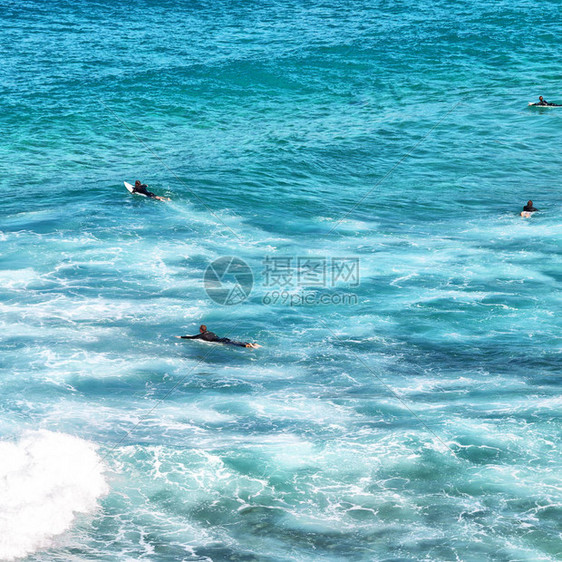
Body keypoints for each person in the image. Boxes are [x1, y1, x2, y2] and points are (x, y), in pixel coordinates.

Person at [176, 325, 261, 348]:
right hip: (222, 338)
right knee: (234, 342)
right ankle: (250, 343)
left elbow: (191, 338)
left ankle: (246, 345)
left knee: (234, 344)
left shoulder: (201, 336)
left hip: (220, 341)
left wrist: (180, 337)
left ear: (201, 330)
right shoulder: (210, 332)